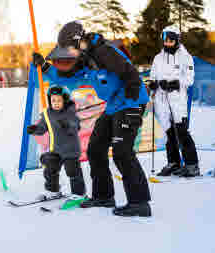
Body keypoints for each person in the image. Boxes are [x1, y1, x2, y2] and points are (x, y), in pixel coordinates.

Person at [32, 20, 151, 217]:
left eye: (69, 47)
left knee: (122, 152)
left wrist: (131, 93)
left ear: (78, 42)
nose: (68, 52)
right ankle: (103, 196)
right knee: (95, 148)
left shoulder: (102, 52)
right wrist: (45, 67)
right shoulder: (84, 59)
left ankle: (140, 203)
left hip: (130, 103)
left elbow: (128, 71)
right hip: (113, 106)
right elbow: (66, 77)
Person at [149, 25, 199, 177]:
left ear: (177, 40)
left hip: (177, 98)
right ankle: (174, 163)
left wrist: (175, 83)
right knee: (168, 132)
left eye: (171, 40)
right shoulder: (158, 58)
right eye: (165, 40)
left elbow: (189, 79)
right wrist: (153, 83)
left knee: (181, 131)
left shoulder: (185, 57)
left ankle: (192, 165)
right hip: (161, 98)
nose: (168, 43)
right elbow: (153, 76)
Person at [27, 84, 86, 201]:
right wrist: (35, 129)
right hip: (56, 149)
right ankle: (53, 191)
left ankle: (79, 194)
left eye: (59, 100)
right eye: (53, 100)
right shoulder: (48, 114)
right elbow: (42, 127)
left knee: (72, 171)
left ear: (65, 100)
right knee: (50, 168)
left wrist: (67, 125)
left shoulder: (70, 112)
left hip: (71, 150)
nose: (56, 103)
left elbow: (75, 127)